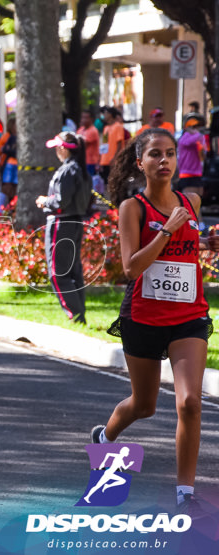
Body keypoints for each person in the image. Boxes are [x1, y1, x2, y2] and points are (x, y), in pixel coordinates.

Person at [93, 127, 218, 513]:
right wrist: (167, 229)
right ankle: (105, 435)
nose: (164, 161)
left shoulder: (191, 202)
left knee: (190, 403)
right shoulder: (133, 208)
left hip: (189, 315)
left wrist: (205, 243)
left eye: (170, 154)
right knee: (144, 405)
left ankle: (184, 493)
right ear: (140, 163)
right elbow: (131, 267)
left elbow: (187, 245)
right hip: (144, 316)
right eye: (155, 155)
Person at [36, 132, 92, 324]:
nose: (56, 152)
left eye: (57, 148)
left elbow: (61, 202)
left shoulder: (67, 171)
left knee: (58, 273)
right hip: (75, 222)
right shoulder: (81, 170)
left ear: (63, 149)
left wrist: (45, 201)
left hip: (62, 223)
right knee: (73, 270)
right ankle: (79, 314)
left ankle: (74, 315)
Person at [175, 113, 207, 198]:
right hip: (187, 174)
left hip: (198, 174)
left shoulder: (199, 138)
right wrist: (197, 133)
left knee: (198, 203)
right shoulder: (185, 137)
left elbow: (204, 152)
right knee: (189, 202)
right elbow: (187, 142)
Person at [0, 116, 18, 215]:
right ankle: (0, 212)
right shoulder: (7, 136)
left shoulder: (15, 136)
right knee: (6, 188)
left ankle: (10, 210)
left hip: (14, 166)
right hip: (8, 166)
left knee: (14, 189)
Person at [100, 107, 127, 184]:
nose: (104, 115)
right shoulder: (106, 128)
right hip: (105, 160)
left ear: (110, 114)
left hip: (113, 160)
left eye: (105, 113)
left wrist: (115, 157)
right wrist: (101, 158)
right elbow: (105, 143)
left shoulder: (118, 126)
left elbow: (119, 143)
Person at [77, 109, 100, 175]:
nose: (83, 120)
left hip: (91, 162)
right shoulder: (80, 130)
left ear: (91, 119)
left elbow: (82, 144)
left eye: (86, 118)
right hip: (82, 161)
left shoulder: (93, 130)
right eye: (82, 117)